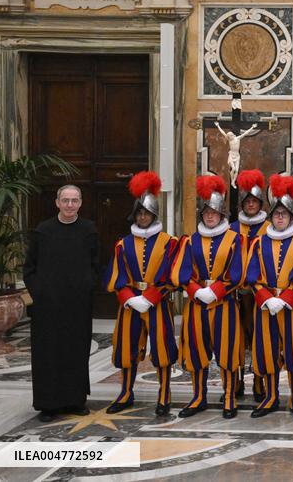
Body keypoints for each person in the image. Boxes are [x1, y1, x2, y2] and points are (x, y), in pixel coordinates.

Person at [103, 171, 179, 415]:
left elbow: (171, 275)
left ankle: (164, 393)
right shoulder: (123, 244)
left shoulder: (169, 242)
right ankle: (125, 392)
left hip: (158, 303)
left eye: (146, 213)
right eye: (139, 213)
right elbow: (117, 277)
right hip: (131, 303)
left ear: (154, 215)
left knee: (162, 349)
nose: (143, 216)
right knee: (127, 349)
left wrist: (151, 298)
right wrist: (131, 298)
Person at [171, 175, 246, 419]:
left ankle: (230, 396)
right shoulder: (191, 240)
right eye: (206, 212)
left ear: (222, 214)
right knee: (196, 351)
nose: (210, 216)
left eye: (214, 212)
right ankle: (198, 397)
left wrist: (214, 292)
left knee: (227, 351)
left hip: (224, 304)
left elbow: (237, 273)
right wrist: (196, 291)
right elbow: (181, 272)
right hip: (196, 306)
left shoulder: (235, 239)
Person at [24, 184, 98, 423]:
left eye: (74, 200)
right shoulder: (43, 231)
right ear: (57, 203)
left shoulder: (89, 230)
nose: (69, 205)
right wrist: (41, 294)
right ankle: (48, 404)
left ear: (81, 203)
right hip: (47, 308)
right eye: (65, 200)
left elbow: (95, 265)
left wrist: (86, 287)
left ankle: (75, 400)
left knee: (76, 352)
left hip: (77, 306)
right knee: (48, 354)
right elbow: (29, 269)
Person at [247, 174, 293, 419]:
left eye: (284, 214)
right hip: (266, 306)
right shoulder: (259, 242)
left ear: (291, 217)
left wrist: (285, 299)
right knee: (267, 351)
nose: (279, 218)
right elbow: (252, 275)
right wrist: (267, 298)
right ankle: (270, 396)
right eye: (276, 214)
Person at [231, 170, 270, 400]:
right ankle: (236, 381)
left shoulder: (269, 228)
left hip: (259, 295)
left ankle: (258, 381)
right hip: (236, 293)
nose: (251, 204)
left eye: (255, 201)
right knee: (236, 339)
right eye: (248, 201)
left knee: (259, 338)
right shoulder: (232, 228)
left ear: (261, 203)